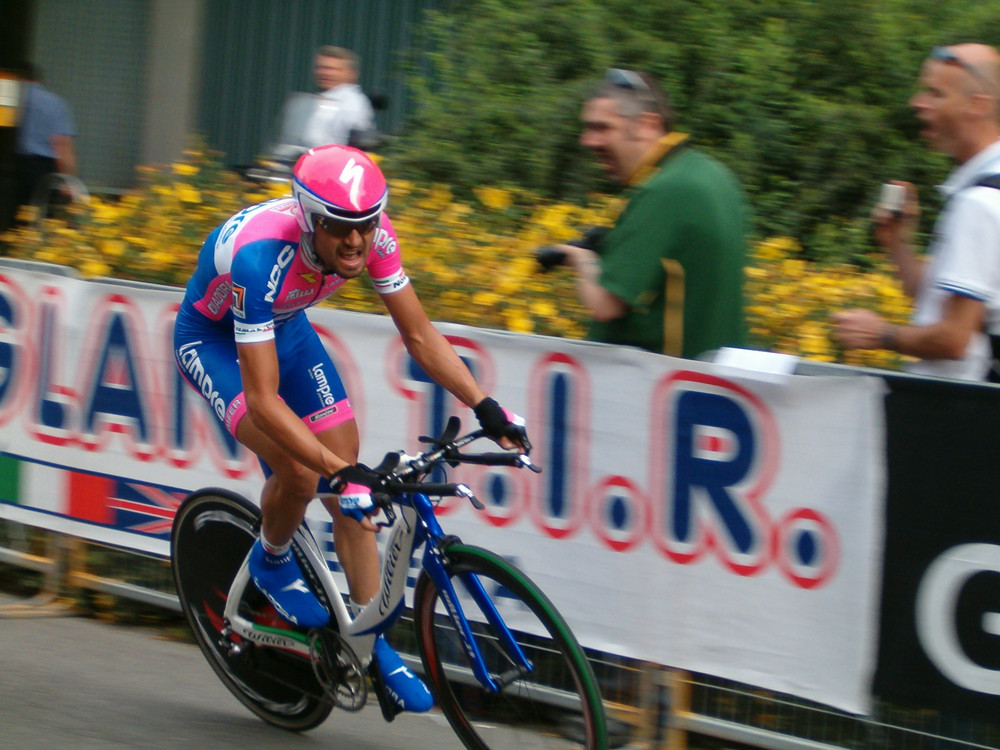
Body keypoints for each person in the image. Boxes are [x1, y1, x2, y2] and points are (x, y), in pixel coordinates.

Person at [173, 144, 530, 714]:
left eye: (365, 225)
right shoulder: (260, 256)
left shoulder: (375, 234)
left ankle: (372, 645)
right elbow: (263, 401)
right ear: (311, 220)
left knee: (352, 488)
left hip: (282, 327)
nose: (357, 241)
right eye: (341, 229)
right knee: (301, 468)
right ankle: (270, 560)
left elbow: (418, 334)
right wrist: (337, 471)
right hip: (212, 339)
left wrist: (485, 403)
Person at [538, 68, 748, 358]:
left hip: (664, 387)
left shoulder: (665, 190)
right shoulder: (711, 173)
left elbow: (605, 304)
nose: (588, 141)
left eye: (602, 128)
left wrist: (581, 259)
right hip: (717, 384)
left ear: (648, 125)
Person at [832, 44, 1000, 381]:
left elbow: (954, 340)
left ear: (977, 105)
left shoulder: (980, 202)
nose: (917, 103)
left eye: (935, 94)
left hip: (964, 412)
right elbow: (950, 304)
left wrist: (880, 334)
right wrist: (898, 245)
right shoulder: (983, 189)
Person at [270, 46, 377, 162]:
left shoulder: (353, 103)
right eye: (320, 68)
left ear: (351, 73)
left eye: (331, 69)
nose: (324, 73)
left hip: (329, 169)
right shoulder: (309, 102)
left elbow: (355, 146)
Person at [3, 62, 77, 229]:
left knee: (17, 216)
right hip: (44, 168)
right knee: (43, 218)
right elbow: (61, 144)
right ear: (36, 79)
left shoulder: (8, 101)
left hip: (17, 167)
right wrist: (68, 180)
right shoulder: (54, 103)